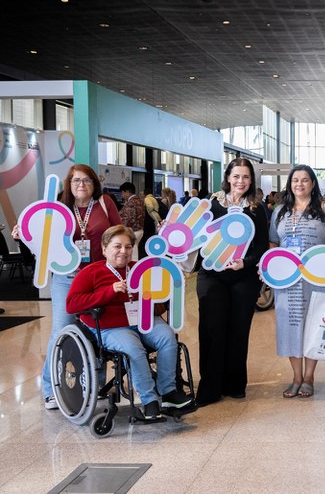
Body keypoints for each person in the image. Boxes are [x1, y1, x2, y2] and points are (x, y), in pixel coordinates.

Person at [12, 164, 121, 410]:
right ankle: (51, 389)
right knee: (62, 329)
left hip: (98, 276)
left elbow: (118, 233)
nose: (80, 185)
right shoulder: (58, 208)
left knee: (97, 328)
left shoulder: (105, 203)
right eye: (75, 181)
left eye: (86, 180)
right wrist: (23, 235)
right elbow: (39, 233)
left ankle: (96, 385)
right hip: (66, 277)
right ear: (68, 185)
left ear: (94, 183)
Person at [65, 225, 192, 418]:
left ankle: (168, 392)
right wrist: (109, 291)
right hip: (111, 326)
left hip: (143, 319)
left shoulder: (140, 268)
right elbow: (72, 304)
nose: (123, 251)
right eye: (117, 246)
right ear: (105, 247)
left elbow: (159, 299)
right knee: (133, 348)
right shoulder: (90, 272)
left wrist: (172, 284)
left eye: (128, 246)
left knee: (167, 337)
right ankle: (149, 401)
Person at [195, 158, 269, 406]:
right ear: (228, 177)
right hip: (212, 276)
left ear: (251, 180)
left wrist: (245, 263)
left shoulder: (257, 209)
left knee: (238, 331)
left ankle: (235, 384)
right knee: (211, 329)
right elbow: (197, 236)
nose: (240, 182)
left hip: (243, 278)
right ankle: (210, 387)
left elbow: (261, 247)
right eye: (236, 176)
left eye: (246, 177)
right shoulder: (211, 203)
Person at [269, 164, 325, 398]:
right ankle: (296, 377)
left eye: (304, 180)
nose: (299, 184)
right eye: (295, 180)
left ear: (313, 183)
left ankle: (309, 377)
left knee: (314, 325)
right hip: (287, 280)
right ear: (290, 184)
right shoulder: (280, 210)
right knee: (290, 325)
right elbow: (273, 243)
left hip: (316, 276)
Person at [118, 182, 145, 260]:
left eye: (122, 193)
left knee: (132, 254)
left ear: (127, 192)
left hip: (132, 230)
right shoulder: (140, 201)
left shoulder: (131, 202)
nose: (122, 195)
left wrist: (121, 228)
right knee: (134, 251)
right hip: (139, 230)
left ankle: (133, 269)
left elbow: (129, 218)